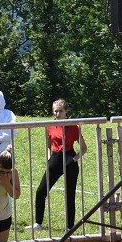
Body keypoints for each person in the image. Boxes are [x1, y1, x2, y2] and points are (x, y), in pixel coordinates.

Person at [33, 99, 87, 231]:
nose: (57, 114)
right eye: (55, 111)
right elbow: (47, 145)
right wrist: (48, 158)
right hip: (55, 158)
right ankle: (38, 223)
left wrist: (74, 160)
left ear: (66, 112)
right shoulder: (50, 125)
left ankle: (70, 227)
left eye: (60, 111)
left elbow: (84, 148)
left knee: (70, 194)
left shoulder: (74, 126)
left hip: (69, 157)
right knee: (41, 191)